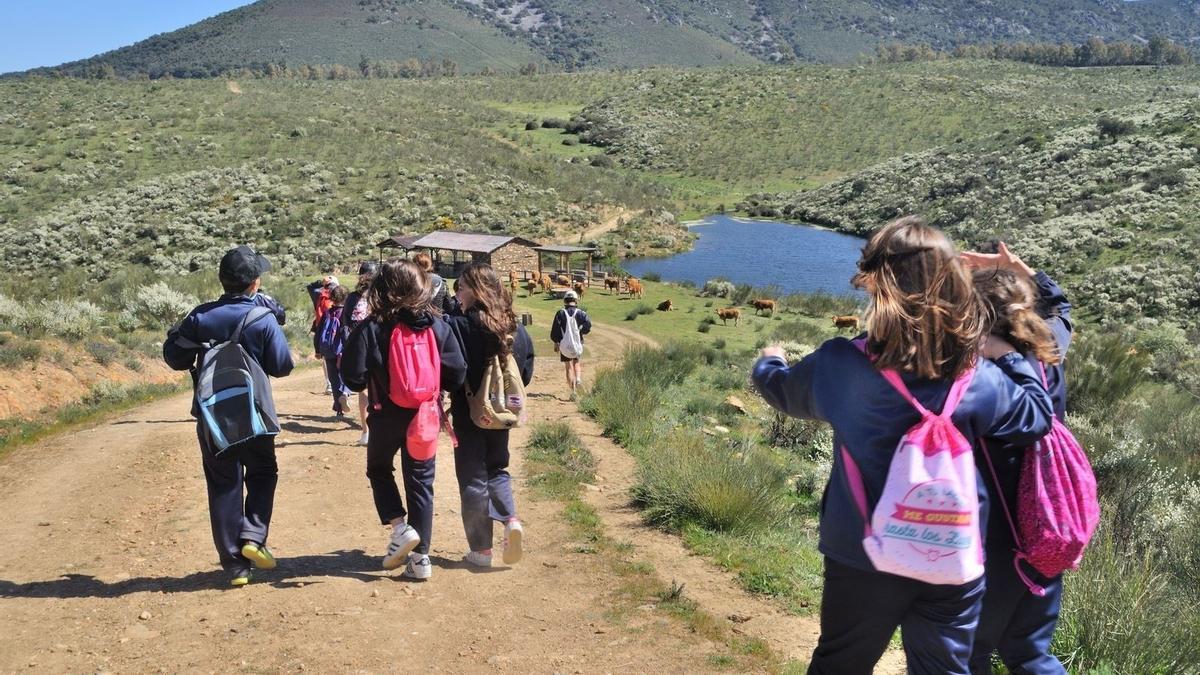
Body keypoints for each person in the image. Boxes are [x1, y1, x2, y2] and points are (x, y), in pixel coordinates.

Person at [751, 217, 1054, 674]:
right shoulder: (978, 378)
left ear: (875, 283)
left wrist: (769, 361)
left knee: (841, 663)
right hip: (951, 556)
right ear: (953, 282)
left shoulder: (841, 365)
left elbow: (780, 390)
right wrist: (1010, 346)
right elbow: (1035, 416)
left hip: (861, 554)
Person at [963, 243, 1073, 675]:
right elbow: (1061, 309)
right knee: (1029, 654)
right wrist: (1019, 271)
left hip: (995, 539)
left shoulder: (981, 379)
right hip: (1048, 527)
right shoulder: (1049, 350)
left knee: (969, 650)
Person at [163, 245, 294, 587]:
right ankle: (253, 536)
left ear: (222, 281)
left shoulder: (200, 317)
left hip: (212, 416)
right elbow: (283, 366)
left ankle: (235, 566)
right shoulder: (262, 317)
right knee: (264, 471)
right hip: (256, 415)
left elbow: (175, 358)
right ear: (255, 283)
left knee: (223, 482)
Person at [340, 260, 466, 579]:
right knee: (421, 482)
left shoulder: (372, 327)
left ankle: (400, 528)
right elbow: (457, 372)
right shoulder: (438, 324)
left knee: (379, 469)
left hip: (385, 414)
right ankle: (421, 560)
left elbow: (353, 379)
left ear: (383, 288)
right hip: (425, 414)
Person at [447, 263, 535, 568]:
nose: (457, 293)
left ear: (475, 290)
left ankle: (481, 550)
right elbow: (525, 371)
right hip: (503, 413)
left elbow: (452, 371)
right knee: (498, 468)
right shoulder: (514, 326)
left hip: (468, 410)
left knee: (472, 475)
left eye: (460, 287)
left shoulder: (458, 325)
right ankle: (511, 520)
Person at [344, 262, 378, 446]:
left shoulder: (351, 298)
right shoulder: (380, 297)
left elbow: (347, 323)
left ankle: (366, 432)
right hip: (379, 347)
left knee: (363, 390)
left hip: (359, 348)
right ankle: (381, 429)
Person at [550, 289, 592, 400]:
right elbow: (588, 325)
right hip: (577, 344)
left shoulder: (560, 313)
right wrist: (581, 332)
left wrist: (556, 342)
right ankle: (578, 379)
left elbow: (555, 330)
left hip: (564, 345)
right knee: (576, 363)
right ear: (576, 301)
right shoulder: (581, 313)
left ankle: (573, 392)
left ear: (565, 301)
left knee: (568, 367)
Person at [318, 284, 351, 418]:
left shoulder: (327, 313)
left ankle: (339, 410)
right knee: (346, 374)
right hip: (342, 351)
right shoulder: (345, 313)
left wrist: (317, 350)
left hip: (328, 351)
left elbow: (319, 331)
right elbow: (347, 333)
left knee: (334, 379)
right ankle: (345, 393)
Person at [307, 275, 338, 393]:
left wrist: (321, 282)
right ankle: (341, 384)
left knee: (325, 358)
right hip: (337, 327)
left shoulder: (318, 294)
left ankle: (329, 384)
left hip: (322, 329)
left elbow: (310, 286)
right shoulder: (339, 293)